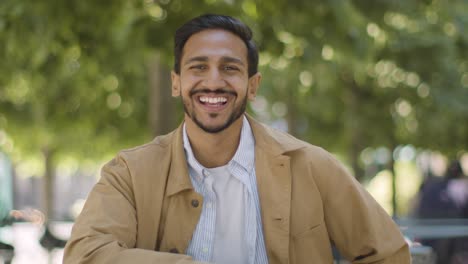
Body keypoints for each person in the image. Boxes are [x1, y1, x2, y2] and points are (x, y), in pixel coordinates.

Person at [63, 14, 410, 264]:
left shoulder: (312, 166)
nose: (213, 82)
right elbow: (84, 255)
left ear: (253, 85)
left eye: (230, 68)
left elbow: (389, 254)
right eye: (198, 67)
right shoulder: (129, 172)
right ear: (175, 82)